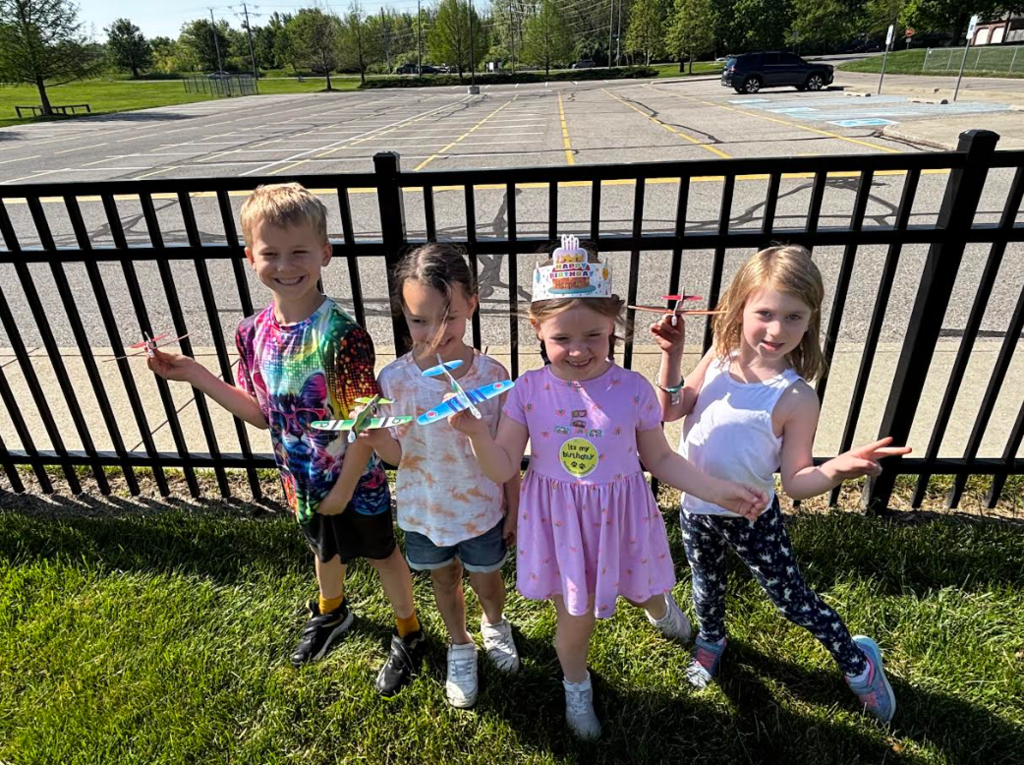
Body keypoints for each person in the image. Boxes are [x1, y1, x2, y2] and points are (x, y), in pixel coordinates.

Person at [450, 236, 767, 739]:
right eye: (561, 338)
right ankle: (577, 687)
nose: (578, 350)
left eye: (594, 336)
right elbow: (503, 464)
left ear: (615, 327)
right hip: (562, 524)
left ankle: (662, 611)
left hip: (622, 516)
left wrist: (719, 491)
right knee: (575, 618)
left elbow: (660, 457)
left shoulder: (634, 389)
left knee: (643, 588)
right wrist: (474, 435)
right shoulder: (528, 391)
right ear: (537, 329)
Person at [146, 182, 422, 696]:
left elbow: (364, 425)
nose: (286, 264)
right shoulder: (252, 333)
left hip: (354, 485)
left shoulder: (342, 336)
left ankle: (409, 630)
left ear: (325, 253)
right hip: (302, 481)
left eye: (299, 252)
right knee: (324, 550)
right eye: (270, 253)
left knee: (383, 554)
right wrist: (193, 373)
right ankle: (332, 612)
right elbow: (259, 414)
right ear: (250, 256)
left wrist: (341, 491)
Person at [652, 244, 909, 723]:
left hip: (751, 517)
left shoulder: (795, 396)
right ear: (739, 306)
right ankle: (712, 639)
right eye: (765, 312)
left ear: (811, 320)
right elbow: (670, 409)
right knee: (705, 584)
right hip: (696, 508)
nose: (776, 330)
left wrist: (836, 469)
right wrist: (672, 356)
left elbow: (796, 483)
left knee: (792, 602)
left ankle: (858, 663)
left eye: (793, 317)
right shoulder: (719, 355)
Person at [361, 244, 521, 709]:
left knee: (487, 579)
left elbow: (508, 453)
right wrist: (373, 438)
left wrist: (514, 503)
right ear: (403, 316)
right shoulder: (394, 380)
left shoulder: (494, 375)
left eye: (449, 316)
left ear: (473, 302)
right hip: (425, 511)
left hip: (482, 511)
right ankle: (459, 643)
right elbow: (397, 456)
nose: (435, 332)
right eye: (419, 320)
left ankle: (494, 623)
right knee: (443, 580)